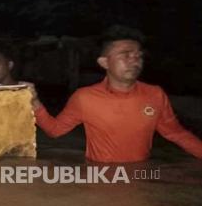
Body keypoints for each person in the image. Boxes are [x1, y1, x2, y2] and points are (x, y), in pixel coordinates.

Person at [28, 25, 202, 162]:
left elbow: (176, 133)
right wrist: (35, 102)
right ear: (104, 62)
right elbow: (54, 131)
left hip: (140, 174)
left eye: (138, 56)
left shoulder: (155, 95)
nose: (135, 60)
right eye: (126, 55)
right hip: (100, 175)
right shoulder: (85, 98)